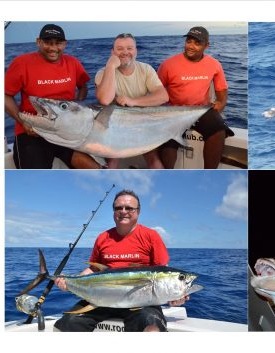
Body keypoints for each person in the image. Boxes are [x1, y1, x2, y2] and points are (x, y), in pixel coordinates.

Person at [54, 189, 189, 332]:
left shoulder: (151, 236)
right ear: (113, 212)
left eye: (129, 208)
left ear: (138, 212)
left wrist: (174, 296)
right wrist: (68, 282)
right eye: (119, 208)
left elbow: (163, 272)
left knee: (152, 328)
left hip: (142, 304)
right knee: (69, 322)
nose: (123, 211)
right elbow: (93, 269)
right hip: (101, 299)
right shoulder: (103, 237)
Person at [5, 24, 101, 169]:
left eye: (58, 43)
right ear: (38, 42)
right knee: (35, 178)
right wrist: (23, 122)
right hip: (33, 132)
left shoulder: (73, 62)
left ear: (65, 44)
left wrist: (77, 106)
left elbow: (83, 85)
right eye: (47, 43)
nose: (53, 48)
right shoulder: (22, 63)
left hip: (66, 132)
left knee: (94, 168)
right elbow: (5, 95)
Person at [157, 26, 234, 169]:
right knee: (167, 140)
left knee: (219, 130)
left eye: (197, 43)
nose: (191, 46)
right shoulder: (167, 65)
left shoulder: (214, 64)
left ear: (207, 46)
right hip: (175, 111)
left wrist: (221, 103)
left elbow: (222, 92)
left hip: (201, 110)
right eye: (189, 41)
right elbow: (156, 93)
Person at [95, 33, 169, 169]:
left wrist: (132, 101)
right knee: (111, 161)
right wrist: (110, 67)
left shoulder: (146, 69)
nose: (125, 52)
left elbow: (163, 96)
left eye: (129, 48)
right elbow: (105, 100)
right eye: (120, 49)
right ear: (112, 52)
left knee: (153, 158)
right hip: (115, 126)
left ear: (136, 51)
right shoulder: (103, 73)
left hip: (142, 123)